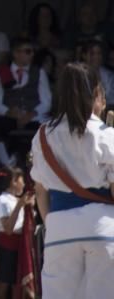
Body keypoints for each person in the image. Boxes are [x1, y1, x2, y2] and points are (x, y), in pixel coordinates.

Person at [30, 62, 114, 297]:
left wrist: (54, 223)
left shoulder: (43, 135)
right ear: (97, 93)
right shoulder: (107, 135)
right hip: (104, 226)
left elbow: (40, 190)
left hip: (59, 225)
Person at [0, 37, 52, 168]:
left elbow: (47, 101)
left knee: (50, 129)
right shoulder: (2, 72)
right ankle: (7, 163)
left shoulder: (39, 72)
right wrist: (9, 112)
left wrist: (32, 113)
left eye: (32, 51)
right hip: (10, 117)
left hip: (34, 117)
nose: (32, 54)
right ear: (16, 53)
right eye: (28, 51)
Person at [0, 166, 33, 299]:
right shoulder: (2, 201)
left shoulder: (16, 200)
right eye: (22, 180)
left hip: (20, 248)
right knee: (3, 287)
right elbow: (8, 229)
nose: (24, 184)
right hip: (7, 249)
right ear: (14, 181)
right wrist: (20, 205)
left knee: (18, 288)